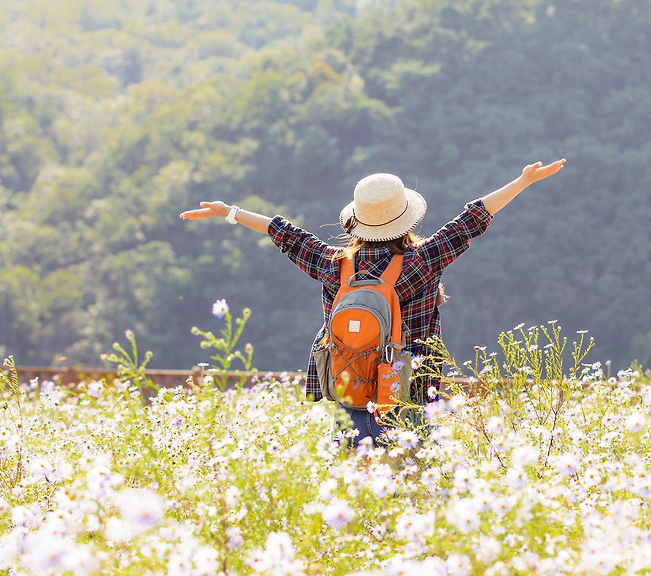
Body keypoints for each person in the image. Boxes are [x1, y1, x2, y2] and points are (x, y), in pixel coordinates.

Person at [179, 160, 565, 444]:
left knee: (355, 496)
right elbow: (472, 219)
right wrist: (523, 180)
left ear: (357, 221)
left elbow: (287, 235)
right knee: (410, 492)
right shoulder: (422, 261)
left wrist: (231, 212)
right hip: (409, 393)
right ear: (406, 218)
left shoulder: (333, 264)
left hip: (350, 389)